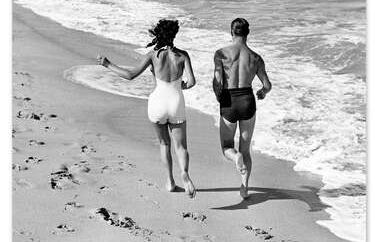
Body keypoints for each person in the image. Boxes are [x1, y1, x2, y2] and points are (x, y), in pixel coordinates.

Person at [97, 19, 196, 198]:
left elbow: (130, 75)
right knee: (180, 146)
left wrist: (107, 64)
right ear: (174, 35)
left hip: (157, 103)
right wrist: (181, 86)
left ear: (159, 35)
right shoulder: (183, 55)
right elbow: (192, 82)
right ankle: (185, 174)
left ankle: (170, 182)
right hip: (176, 103)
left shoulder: (153, 55)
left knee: (164, 144)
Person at [212, 18, 272, 199]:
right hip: (247, 100)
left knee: (227, 147)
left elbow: (217, 81)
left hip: (229, 101)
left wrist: (218, 97)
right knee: (245, 150)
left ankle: (235, 157)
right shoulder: (256, 57)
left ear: (232, 32)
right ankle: (244, 187)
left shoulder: (221, 54)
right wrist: (262, 92)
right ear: (247, 33)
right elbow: (267, 85)